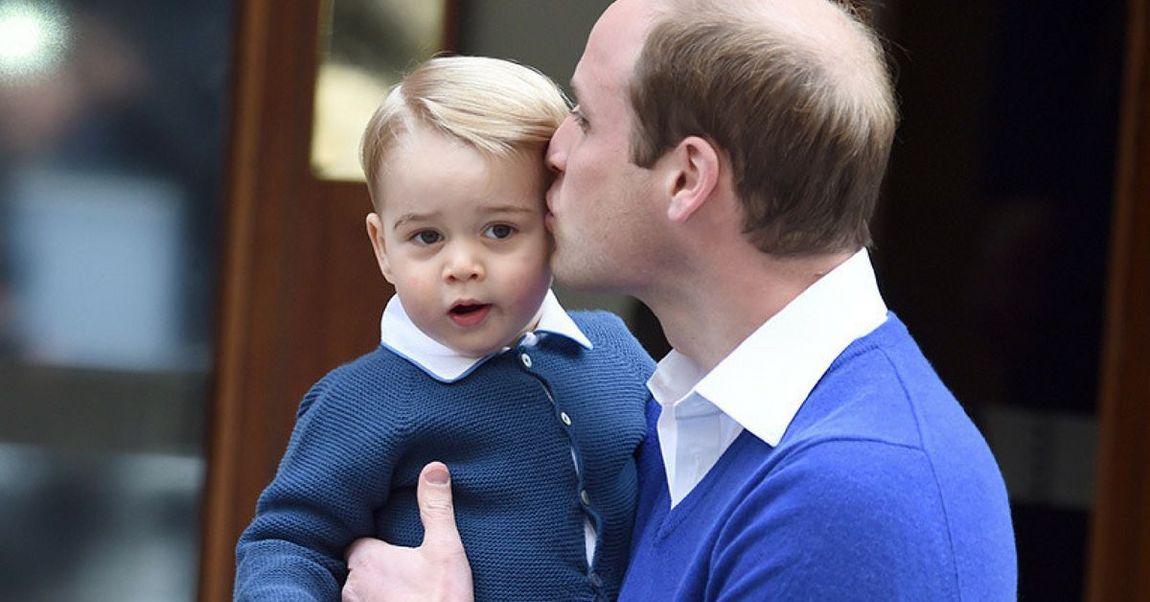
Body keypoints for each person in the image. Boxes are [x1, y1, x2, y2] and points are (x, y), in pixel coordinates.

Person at [341, 0, 1018, 600]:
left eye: (585, 116)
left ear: (686, 177)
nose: (554, 149)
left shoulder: (853, 500)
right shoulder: (677, 416)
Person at [234, 56, 654, 601]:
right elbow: (288, 543)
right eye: (427, 237)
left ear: (554, 222)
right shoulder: (359, 402)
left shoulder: (613, 351)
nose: (461, 266)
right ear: (382, 247)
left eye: (499, 230)